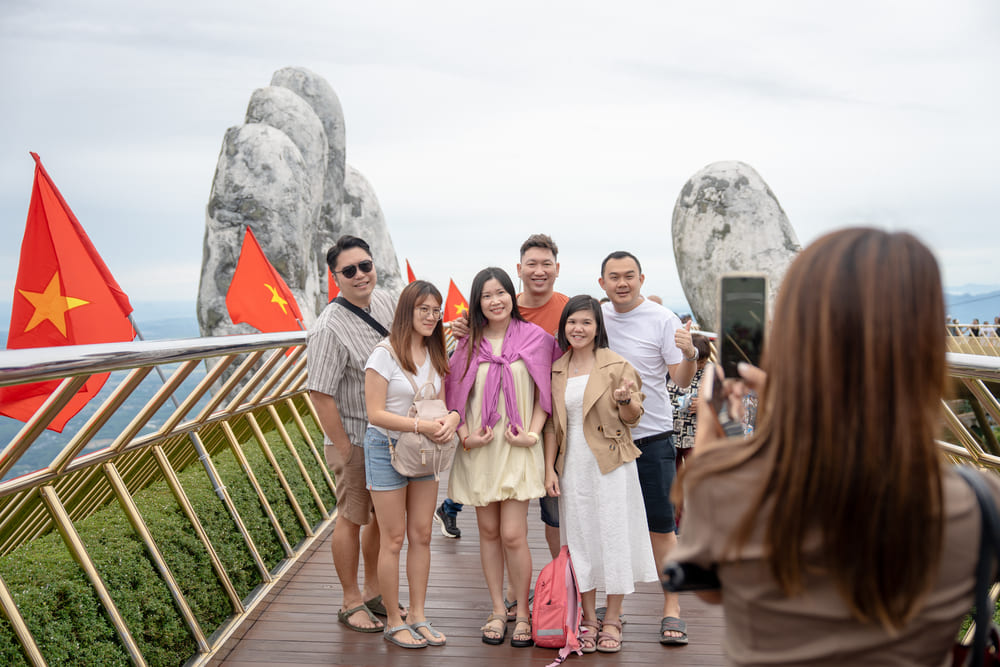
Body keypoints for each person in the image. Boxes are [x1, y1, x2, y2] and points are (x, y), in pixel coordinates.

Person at [672, 227, 1000, 665]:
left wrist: (716, 450)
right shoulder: (979, 502)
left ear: (789, 337)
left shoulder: (734, 488)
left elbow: (710, 591)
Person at [437, 233, 567, 615]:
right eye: (486, 296)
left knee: (513, 534)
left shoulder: (537, 339)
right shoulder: (468, 343)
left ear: (513, 295)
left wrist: (532, 431)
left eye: (501, 293)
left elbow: (548, 391)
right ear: (478, 303)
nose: (495, 301)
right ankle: (497, 609)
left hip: (518, 446)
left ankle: (522, 613)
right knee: (489, 533)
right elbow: (454, 396)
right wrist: (465, 438)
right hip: (481, 449)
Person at [544, 295, 658, 653]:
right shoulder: (557, 367)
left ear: (598, 328)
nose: (578, 328)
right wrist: (549, 468)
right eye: (572, 322)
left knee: (613, 536)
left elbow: (633, 417)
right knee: (580, 542)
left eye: (586, 322)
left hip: (610, 465)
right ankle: (589, 618)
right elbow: (551, 425)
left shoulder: (616, 364)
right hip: (572, 466)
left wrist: (625, 400)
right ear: (564, 326)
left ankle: (613, 618)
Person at [598, 250, 698, 645]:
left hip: (653, 438)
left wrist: (689, 352)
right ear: (601, 282)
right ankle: (613, 612)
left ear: (641, 278)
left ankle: (672, 608)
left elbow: (682, 378)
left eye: (629, 275)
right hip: (607, 441)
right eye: (613, 276)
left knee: (662, 528)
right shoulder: (596, 317)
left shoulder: (662, 319)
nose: (622, 283)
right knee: (612, 528)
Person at [307, 235, 397, 633]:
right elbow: (320, 393)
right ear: (335, 277)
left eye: (365, 265)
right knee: (350, 518)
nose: (360, 275)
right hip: (356, 438)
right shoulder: (329, 327)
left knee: (379, 518)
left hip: (388, 437)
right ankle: (349, 600)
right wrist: (344, 449)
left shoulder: (386, 302)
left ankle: (375, 592)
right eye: (349, 270)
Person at [363, 280, 460, 648]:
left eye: (436, 310)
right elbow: (375, 413)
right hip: (386, 448)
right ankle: (393, 619)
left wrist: (451, 419)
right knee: (394, 538)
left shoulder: (437, 352)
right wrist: (420, 425)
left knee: (421, 534)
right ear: (407, 310)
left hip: (424, 452)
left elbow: (448, 402)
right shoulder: (384, 354)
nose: (432, 317)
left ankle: (418, 614)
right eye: (424, 309)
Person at [667, 334, 713, 471]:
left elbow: (721, 400)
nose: (700, 365)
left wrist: (704, 404)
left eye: (704, 361)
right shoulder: (673, 368)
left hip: (696, 436)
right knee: (672, 474)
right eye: (698, 361)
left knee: (696, 471)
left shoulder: (712, 372)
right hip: (672, 433)